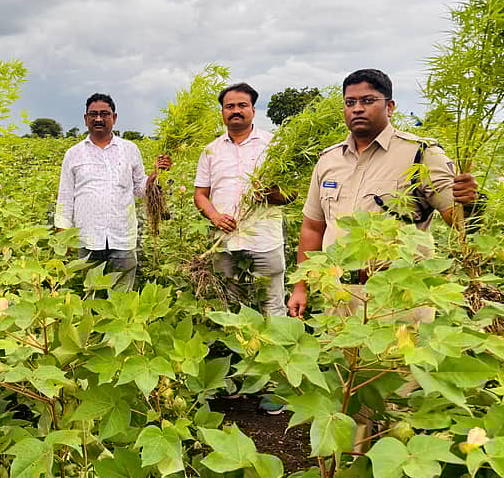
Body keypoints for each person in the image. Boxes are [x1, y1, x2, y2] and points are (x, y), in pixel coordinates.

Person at [287, 68, 480, 319]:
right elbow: (313, 228)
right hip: (339, 293)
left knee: (398, 358)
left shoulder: (420, 154)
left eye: (368, 101)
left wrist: (471, 201)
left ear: (390, 107)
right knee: (339, 357)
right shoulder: (328, 160)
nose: (357, 108)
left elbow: (458, 222)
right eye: (350, 102)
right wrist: (300, 286)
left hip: (399, 294)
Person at [55, 93, 170, 291]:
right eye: (93, 114)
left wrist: (155, 176)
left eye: (104, 114)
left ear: (114, 118)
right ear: (85, 118)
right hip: (87, 236)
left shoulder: (130, 149)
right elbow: (65, 196)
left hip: (122, 235)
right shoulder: (73, 154)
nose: (98, 119)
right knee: (92, 296)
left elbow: (139, 188)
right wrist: (62, 236)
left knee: (122, 297)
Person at [194, 82, 289, 317]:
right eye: (229, 106)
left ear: (253, 110)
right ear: (223, 112)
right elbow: (200, 194)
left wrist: (271, 195)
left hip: (264, 240)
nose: (235, 110)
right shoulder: (211, 150)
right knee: (231, 308)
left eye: (242, 105)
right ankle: (238, 353)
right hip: (225, 243)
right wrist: (214, 216)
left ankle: (276, 352)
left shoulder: (275, 145)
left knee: (272, 308)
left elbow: (292, 193)